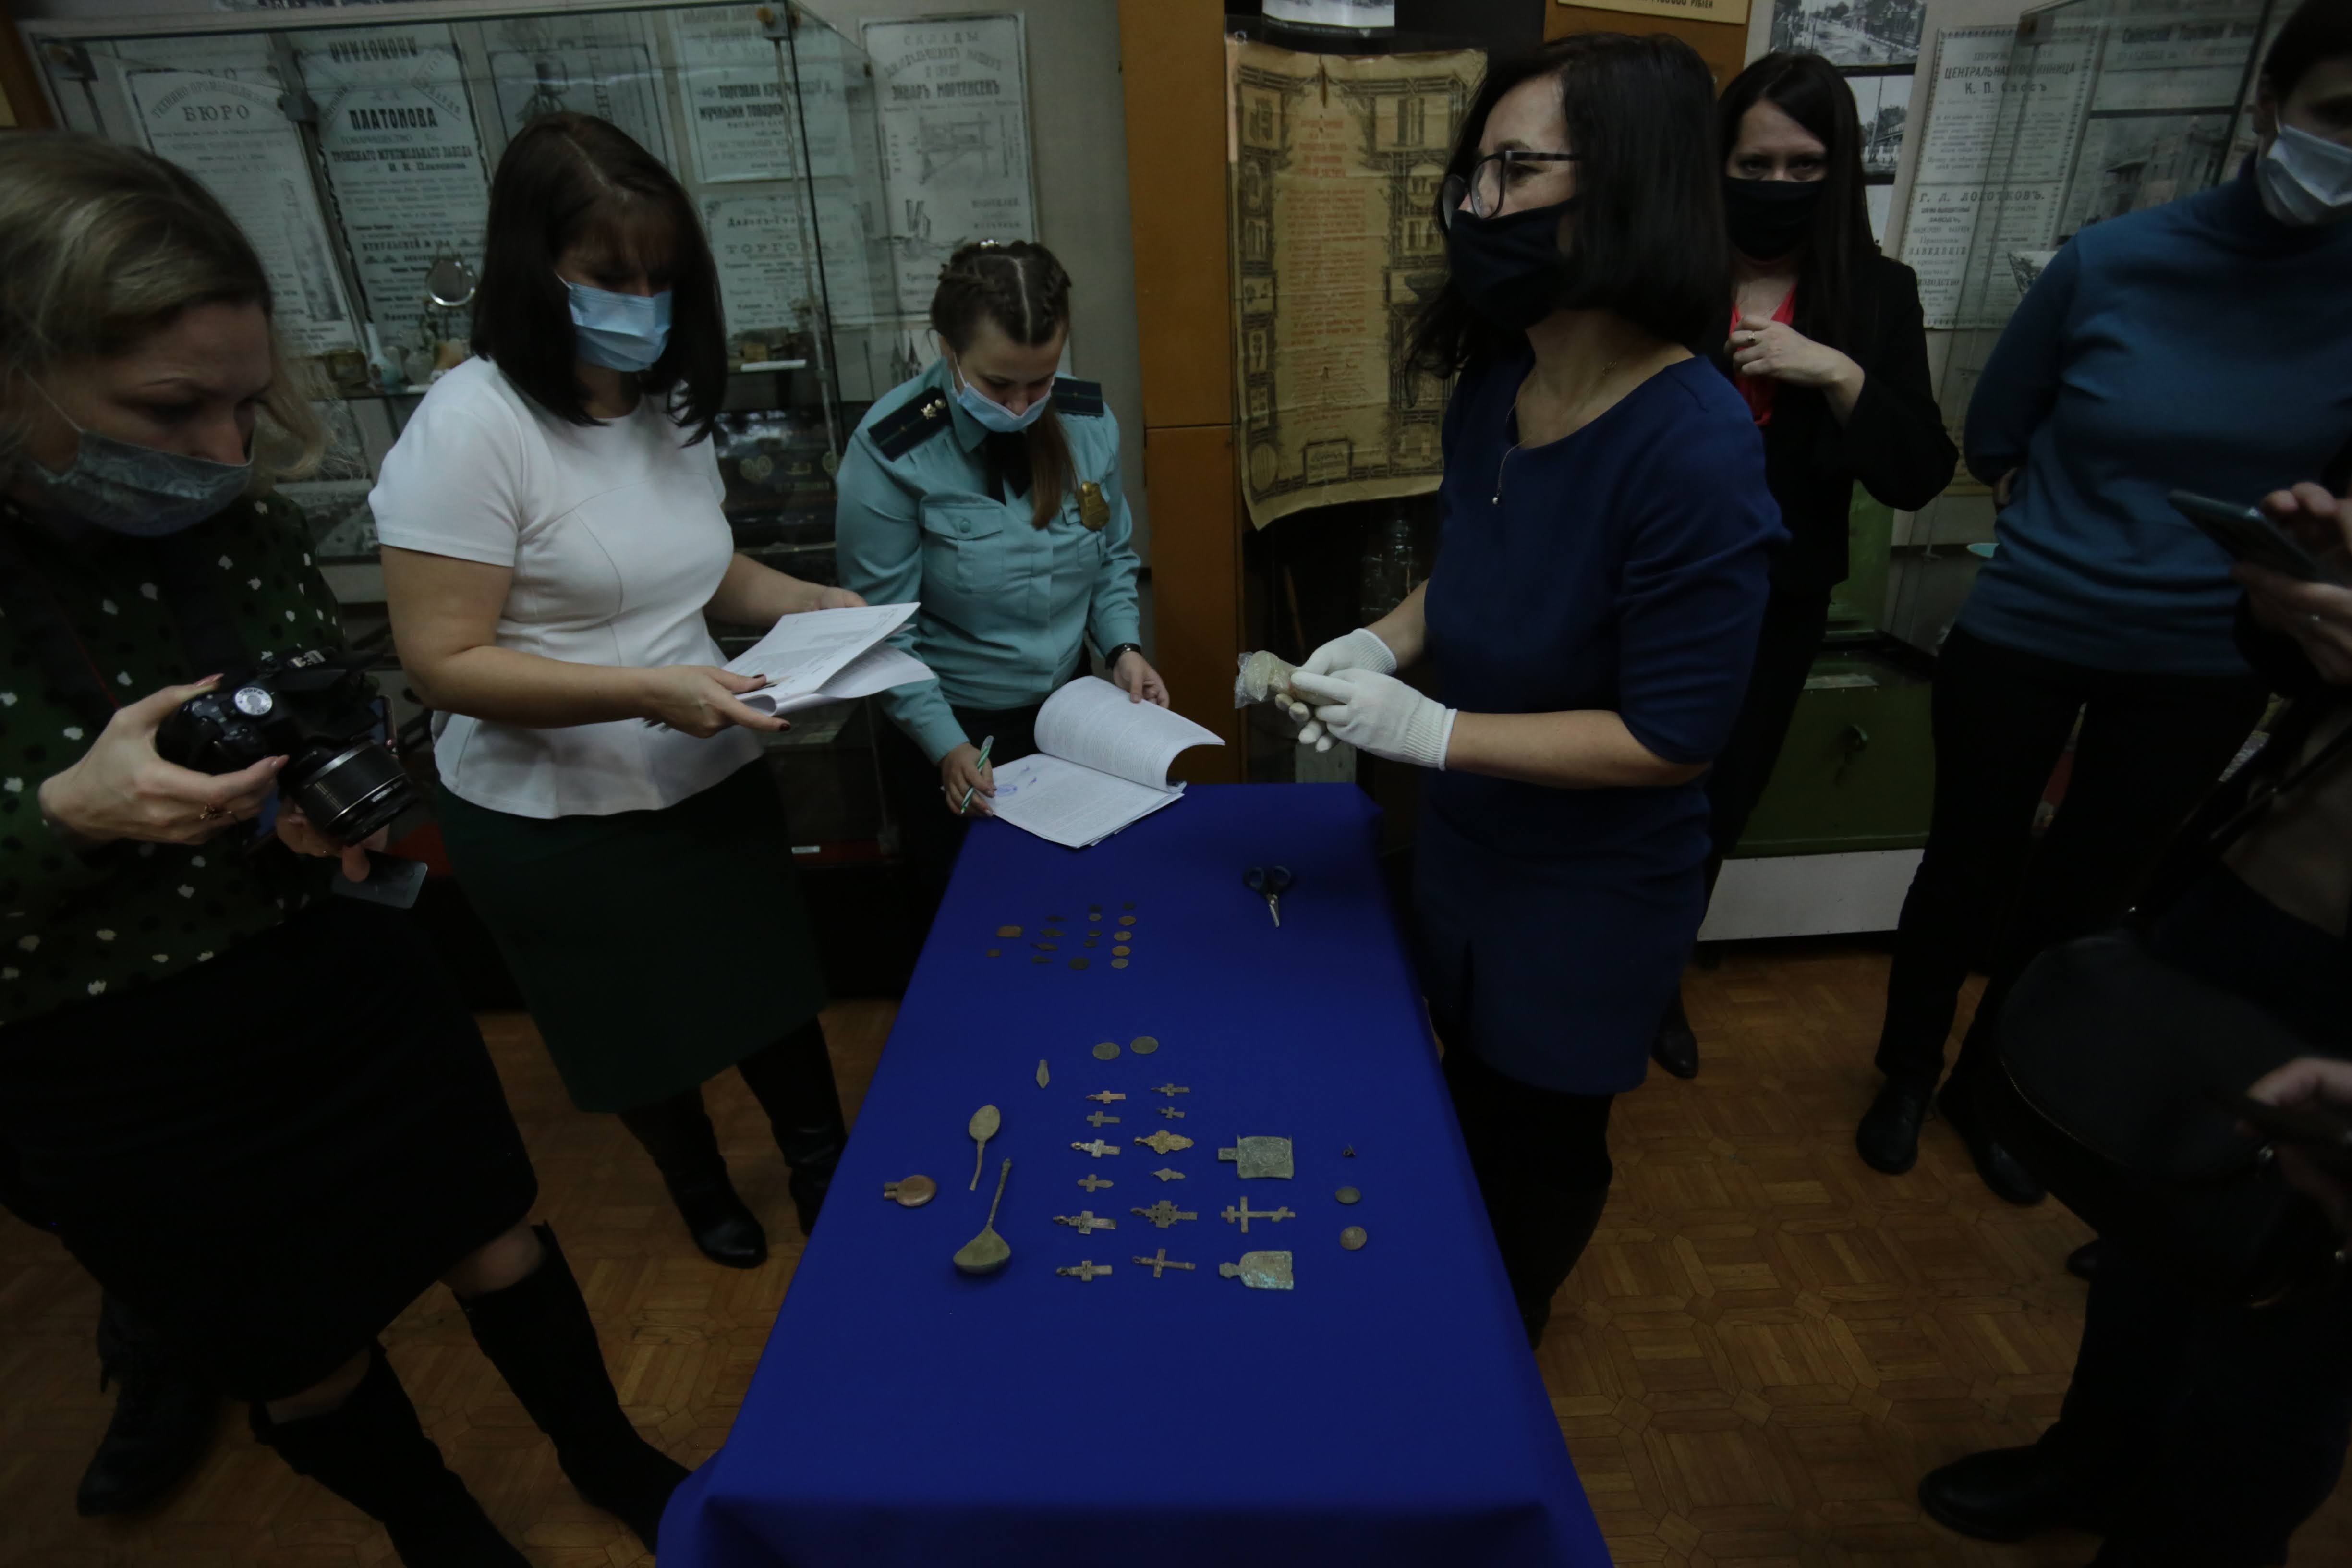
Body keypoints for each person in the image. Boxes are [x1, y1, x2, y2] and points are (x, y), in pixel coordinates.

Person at [0, 134, 683, 1565]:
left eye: (247, 404)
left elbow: (321, 683)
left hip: (330, 959)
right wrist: (66, 814)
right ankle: (448, 1539)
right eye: (170, 407)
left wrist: (324, 783)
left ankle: (619, 1460)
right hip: (106, 1051)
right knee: (294, 1344)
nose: (223, 453)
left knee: (490, 1229)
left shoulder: (230, 516)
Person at [1287, 34, 1784, 1347]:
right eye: (1476, 173)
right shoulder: (1502, 383)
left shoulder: (1695, 447)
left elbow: (1672, 736)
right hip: (1471, 846)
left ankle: (1498, 1338)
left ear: (1630, 186)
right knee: (1454, 1097)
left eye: (1517, 171)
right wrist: (1377, 645)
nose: (1478, 205)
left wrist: (1434, 728)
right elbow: (1474, 571)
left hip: (1588, 889)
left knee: (1538, 1142)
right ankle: (1445, 1293)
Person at [1857, 0, 2352, 1205]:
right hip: (2031, 625)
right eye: (2339, 114)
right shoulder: (2114, 261)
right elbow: (1994, 430)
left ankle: (1995, 1088)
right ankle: (1905, 1073)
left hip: (2208, 655)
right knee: (1966, 865)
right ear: (2268, 107)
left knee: (2079, 896)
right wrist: (2062, 512)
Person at [374, 113, 850, 1272]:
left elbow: (698, 568)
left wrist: (812, 603)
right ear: (533, 268)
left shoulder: (659, 401)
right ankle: (698, 1186)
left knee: (771, 991)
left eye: (661, 277)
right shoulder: (470, 427)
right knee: (632, 1028)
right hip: (554, 813)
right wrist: (644, 689)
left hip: (708, 769)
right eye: (610, 277)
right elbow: (443, 662)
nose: (642, 303)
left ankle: (819, 1162)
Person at [1919, 453, 2352, 1567]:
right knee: (2151, 1219)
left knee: (2288, 1334)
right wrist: (2291, 601)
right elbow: (2300, 669)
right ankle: (2096, 1461)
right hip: (2253, 891)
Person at [1648, 50, 1959, 1081]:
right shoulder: (1669, 273)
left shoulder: (1874, 292)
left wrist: (1836, 372)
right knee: (1617, 787)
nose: (1776, 185)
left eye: (1803, 166)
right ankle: (1596, 960)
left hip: (1774, 601)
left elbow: (1917, 471)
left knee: (1717, 800)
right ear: (1717, 164)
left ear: (1839, 171)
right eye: (1754, 164)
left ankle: (1657, 980)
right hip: (1644, 583)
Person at [834, 240, 1164, 904]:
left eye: (1039, 383)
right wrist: (945, 744)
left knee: (1075, 895)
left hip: (1066, 711)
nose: (1019, 406)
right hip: (951, 720)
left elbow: (1109, 558)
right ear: (948, 349)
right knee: (971, 908)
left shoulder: (1086, 422)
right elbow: (883, 631)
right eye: (997, 385)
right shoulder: (894, 449)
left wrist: (1123, 647)